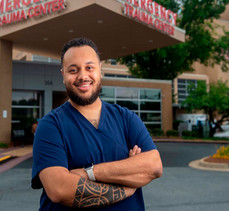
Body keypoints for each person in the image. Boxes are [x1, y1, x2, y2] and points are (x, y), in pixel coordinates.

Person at [32, 37, 162, 210]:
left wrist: (88, 173)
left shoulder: (126, 118)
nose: (82, 76)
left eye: (89, 67)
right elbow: (59, 189)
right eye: (73, 70)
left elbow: (153, 166)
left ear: (100, 70)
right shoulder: (50, 126)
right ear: (63, 75)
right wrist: (127, 186)